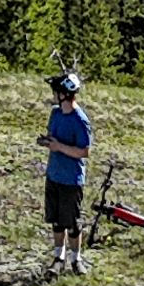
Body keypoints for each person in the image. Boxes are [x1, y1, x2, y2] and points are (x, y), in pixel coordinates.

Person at [39, 71, 92, 273]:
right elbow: (53, 136)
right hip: (54, 175)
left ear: (63, 94)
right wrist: (46, 142)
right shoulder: (56, 113)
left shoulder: (80, 121)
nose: (53, 95)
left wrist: (59, 147)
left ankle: (76, 259)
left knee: (72, 222)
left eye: (55, 92)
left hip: (71, 179)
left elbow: (84, 151)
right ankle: (58, 257)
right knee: (56, 220)